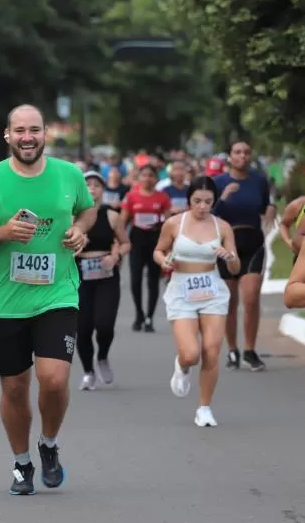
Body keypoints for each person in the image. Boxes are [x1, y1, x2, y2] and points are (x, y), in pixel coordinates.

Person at [0, 104, 95, 496]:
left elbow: (87, 210)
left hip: (58, 293)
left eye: (34, 130)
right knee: (15, 388)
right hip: (6, 300)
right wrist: (1, 232)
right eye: (20, 130)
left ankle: (48, 443)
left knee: (53, 380)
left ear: (45, 133)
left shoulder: (68, 175)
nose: (27, 137)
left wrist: (80, 231)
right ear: (7, 135)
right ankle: (21, 463)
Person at [154, 176, 239, 427]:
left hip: (212, 289)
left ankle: (204, 408)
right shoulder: (174, 224)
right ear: (189, 199)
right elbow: (158, 250)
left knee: (212, 351)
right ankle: (182, 366)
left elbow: (235, 267)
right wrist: (164, 261)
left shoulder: (222, 226)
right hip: (182, 288)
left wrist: (229, 256)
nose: (202, 207)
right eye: (197, 201)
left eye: (208, 202)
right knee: (191, 354)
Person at [212, 141, 275, 371]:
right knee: (229, 302)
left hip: (253, 244)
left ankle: (249, 350)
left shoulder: (258, 180)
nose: (243, 156)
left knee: (250, 299)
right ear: (229, 156)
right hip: (227, 247)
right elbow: (208, 215)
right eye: (237, 152)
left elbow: (266, 205)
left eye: (247, 152)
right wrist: (223, 198)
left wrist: (270, 211)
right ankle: (232, 350)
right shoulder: (218, 183)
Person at [76, 172, 131, 390]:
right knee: (83, 328)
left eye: (96, 185)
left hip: (106, 275)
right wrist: (75, 245)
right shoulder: (73, 217)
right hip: (79, 275)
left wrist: (115, 256)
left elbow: (125, 243)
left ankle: (103, 357)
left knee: (105, 324)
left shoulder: (112, 216)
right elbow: (59, 245)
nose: (91, 188)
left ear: (103, 190)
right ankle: (88, 371)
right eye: (87, 184)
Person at [120, 165, 171, 332]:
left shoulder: (162, 197)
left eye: (151, 175)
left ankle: (149, 317)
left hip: (155, 239)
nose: (147, 178)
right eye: (144, 175)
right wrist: (118, 241)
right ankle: (139, 313)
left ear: (156, 178)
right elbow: (123, 221)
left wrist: (169, 245)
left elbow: (169, 222)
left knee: (153, 280)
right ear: (139, 178)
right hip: (137, 238)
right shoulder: (131, 196)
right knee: (135, 280)